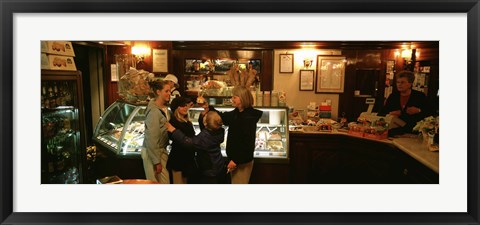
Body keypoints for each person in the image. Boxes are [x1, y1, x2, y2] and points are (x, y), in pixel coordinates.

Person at [197, 86, 262, 184]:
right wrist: (209, 107)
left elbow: (247, 144)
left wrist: (235, 160)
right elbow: (223, 117)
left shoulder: (248, 117)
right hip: (235, 160)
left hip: (241, 161)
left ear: (242, 98)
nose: (232, 99)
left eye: (235, 97)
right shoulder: (238, 112)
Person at [167, 111, 226, 184]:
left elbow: (188, 142)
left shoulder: (204, 137)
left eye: (205, 116)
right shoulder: (220, 131)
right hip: (218, 164)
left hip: (209, 168)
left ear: (206, 123)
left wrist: (174, 130)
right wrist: (202, 116)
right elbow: (205, 128)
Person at [379, 70, 429, 135]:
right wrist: (390, 113)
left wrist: (418, 110)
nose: (399, 85)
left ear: (410, 84)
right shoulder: (393, 96)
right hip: (394, 130)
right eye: (398, 82)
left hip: (412, 131)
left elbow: (428, 113)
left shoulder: (419, 96)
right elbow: (383, 112)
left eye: (402, 82)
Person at [142, 80, 171, 184]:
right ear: (158, 92)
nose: (169, 94)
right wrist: (156, 161)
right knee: (156, 184)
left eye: (170, 91)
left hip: (160, 151)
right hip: (154, 153)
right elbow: (152, 138)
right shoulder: (154, 112)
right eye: (166, 91)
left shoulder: (163, 107)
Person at [165, 97, 198, 184]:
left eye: (186, 106)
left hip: (188, 160)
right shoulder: (173, 122)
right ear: (176, 108)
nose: (185, 108)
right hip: (178, 161)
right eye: (182, 106)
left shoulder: (187, 122)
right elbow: (183, 141)